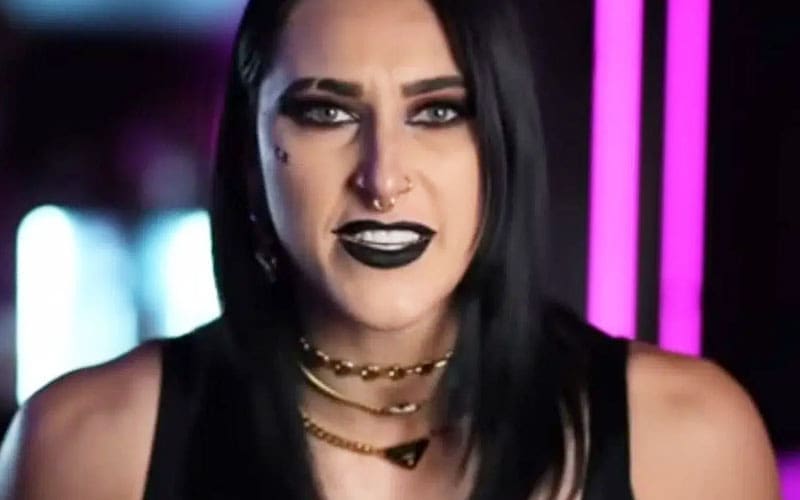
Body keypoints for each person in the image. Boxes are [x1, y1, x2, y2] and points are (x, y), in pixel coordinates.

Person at [0, 0, 781, 498]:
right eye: (326, 113)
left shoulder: (690, 444)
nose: (382, 179)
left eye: (438, 113)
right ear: (248, 154)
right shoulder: (88, 446)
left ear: (500, 143)